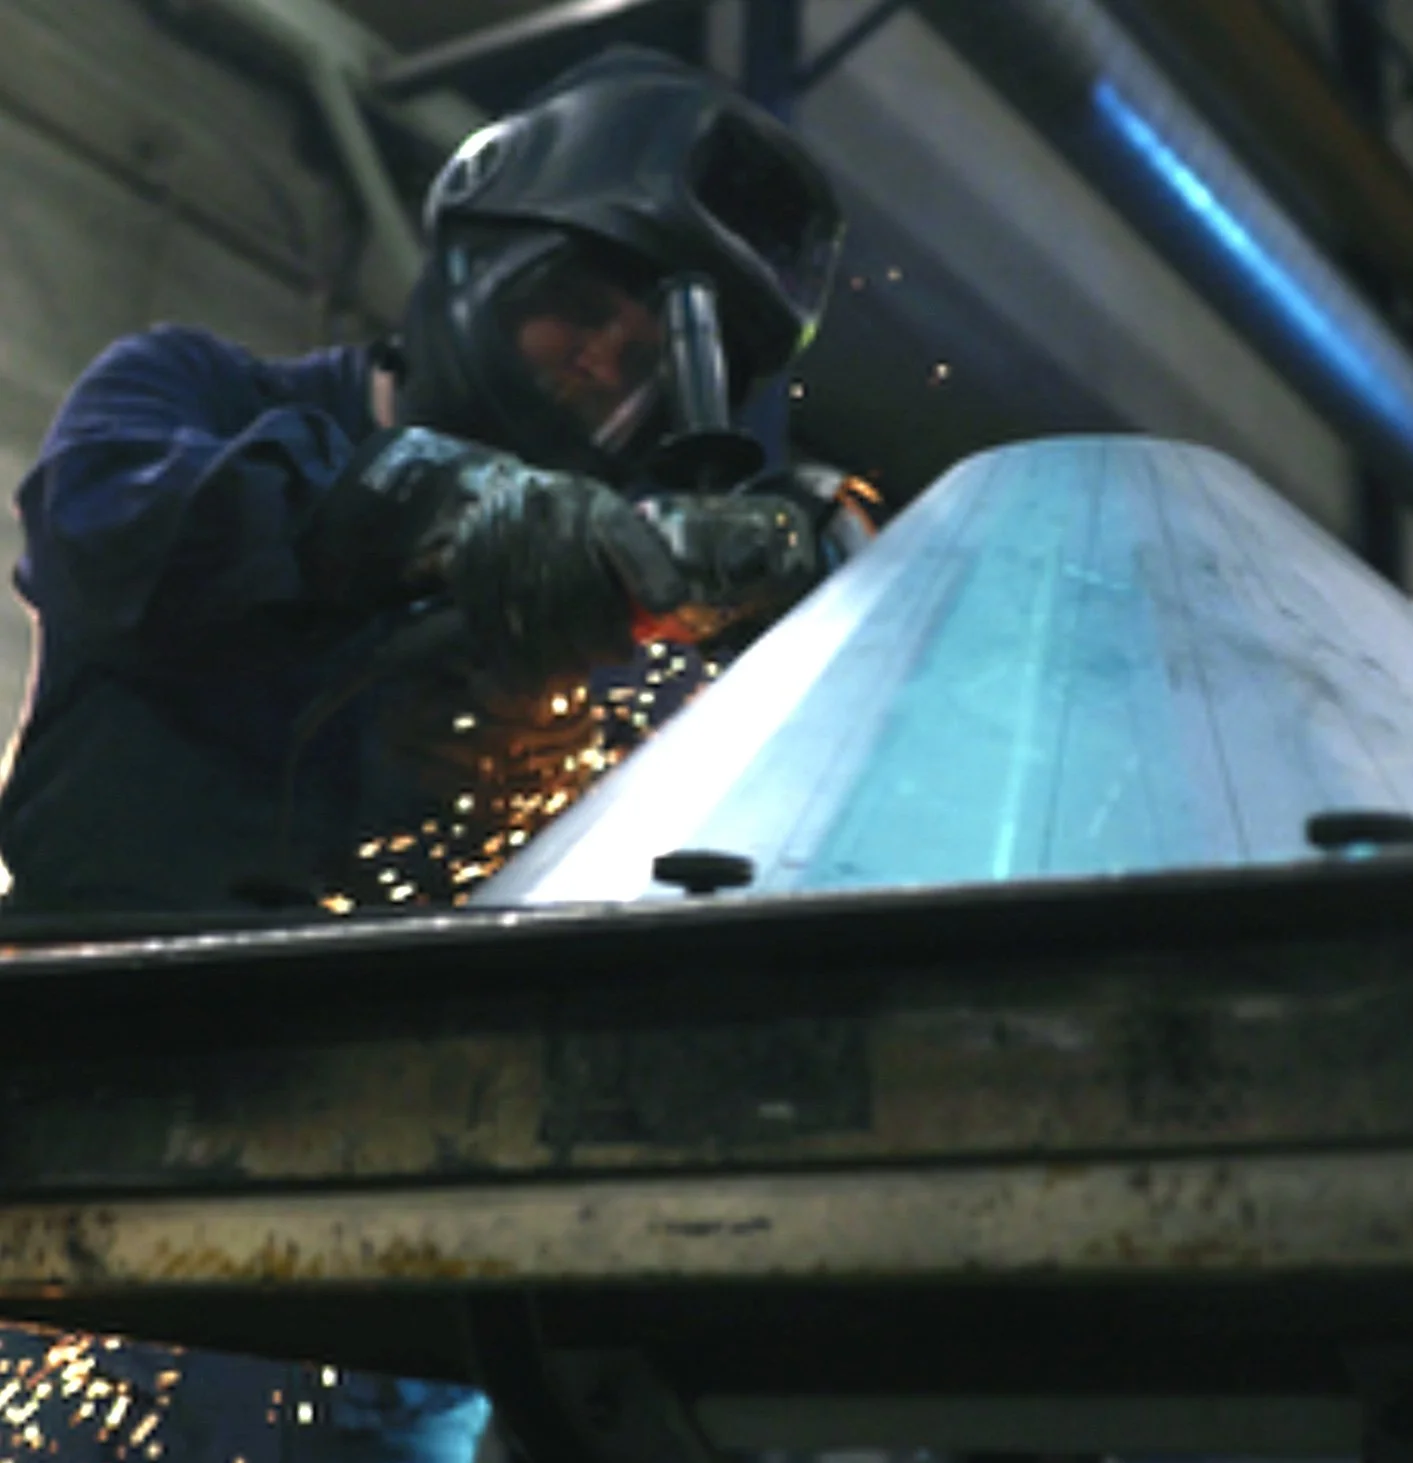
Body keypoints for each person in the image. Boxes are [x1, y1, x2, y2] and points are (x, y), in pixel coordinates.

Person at [0, 45, 850, 916]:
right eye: (580, 310)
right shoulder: (192, 390)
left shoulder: (617, 592)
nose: (600, 363)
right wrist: (430, 505)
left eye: (645, 363)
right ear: (486, 259)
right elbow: (108, 528)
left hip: (413, 999)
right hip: (98, 979)